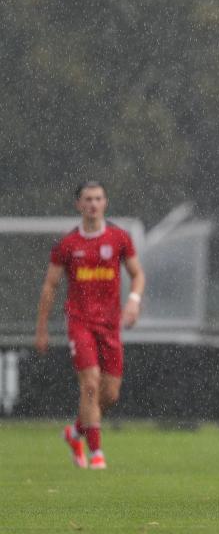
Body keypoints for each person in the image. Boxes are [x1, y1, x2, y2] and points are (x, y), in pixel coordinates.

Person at [35, 181, 146, 470]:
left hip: (110, 324)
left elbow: (137, 275)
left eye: (98, 198)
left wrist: (133, 300)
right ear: (79, 205)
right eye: (87, 199)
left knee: (110, 394)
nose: (93, 204)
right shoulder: (67, 244)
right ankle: (96, 453)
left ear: (105, 203)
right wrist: (42, 328)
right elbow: (50, 286)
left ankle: (75, 432)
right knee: (91, 383)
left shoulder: (119, 238)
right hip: (79, 321)